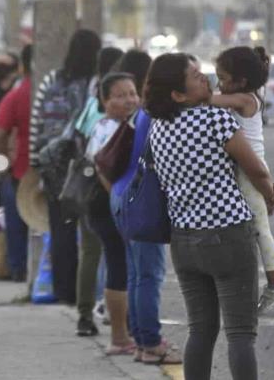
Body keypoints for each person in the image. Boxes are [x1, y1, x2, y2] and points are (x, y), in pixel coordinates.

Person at [144, 53, 274, 380]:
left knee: (200, 331)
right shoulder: (216, 120)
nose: (204, 77)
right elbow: (255, 168)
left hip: (184, 240)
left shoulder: (157, 129)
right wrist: (269, 193)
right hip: (227, 235)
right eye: (195, 75)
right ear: (178, 94)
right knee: (241, 334)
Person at [211, 46, 274, 314]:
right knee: (253, 225)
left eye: (222, 78)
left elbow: (207, 101)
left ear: (241, 81)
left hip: (250, 169)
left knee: (260, 228)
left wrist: (188, 95)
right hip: (249, 168)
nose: (218, 84)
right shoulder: (250, 94)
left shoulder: (245, 99)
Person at [111, 49, 177, 364]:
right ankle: (151, 344)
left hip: (123, 194)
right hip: (141, 200)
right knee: (148, 275)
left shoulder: (142, 113)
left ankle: (141, 341)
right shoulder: (157, 115)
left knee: (137, 274)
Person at [29, 29, 101, 304]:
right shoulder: (96, 84)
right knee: (91, 234)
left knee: (60, 230)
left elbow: (37, 125)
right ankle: (89, 293)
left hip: (54, 166)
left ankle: (64, 291)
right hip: (87, 168)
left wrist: (36, 165)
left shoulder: (51, 80)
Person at [86, 73, 140, 355]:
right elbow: (103, 171)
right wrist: (121, 204)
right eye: (120, 95)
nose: (129, 99)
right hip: (108, 208)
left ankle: (128, 333)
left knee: (124, 266)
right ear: (105, 101)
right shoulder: (106, 128)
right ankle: (119, 337)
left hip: (116, 206)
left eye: (132, 93)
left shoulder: (128, 125)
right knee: (119, 266)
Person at [73, 46, 122, 336]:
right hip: (103, 190)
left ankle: (85, 314)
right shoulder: (105, 111)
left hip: (86, 188)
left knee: (91, 253)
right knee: (111, 254)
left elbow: (77, 138)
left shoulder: (91, 102)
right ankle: (112, 316)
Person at [0, 45, 33, 282]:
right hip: (52, 172)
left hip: (20, 171)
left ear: (21, 66)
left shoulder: (16, 96)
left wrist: (5, 163)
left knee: (16, 222)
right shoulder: (54, 93)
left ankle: (19, 269)